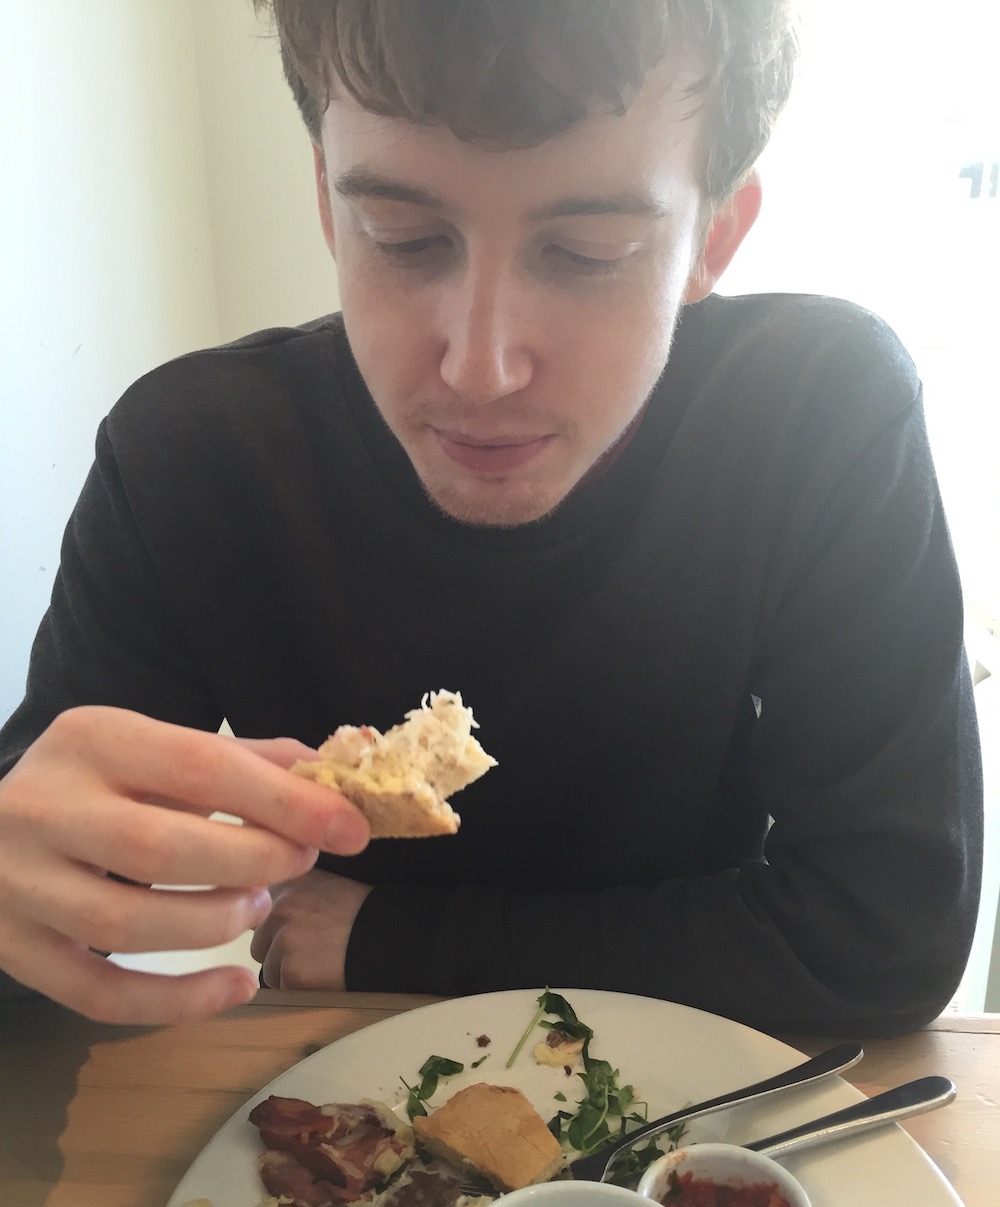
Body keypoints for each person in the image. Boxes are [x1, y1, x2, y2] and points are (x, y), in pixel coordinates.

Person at [0, 0, 983, 1035]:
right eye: (404, 238)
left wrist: (394, 940)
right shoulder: (189, 460)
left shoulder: (818, 416)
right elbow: (40, 925)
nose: (480, 366)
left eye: (589, 252)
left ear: (713, 237)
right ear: (333, 213)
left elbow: (889, 932)